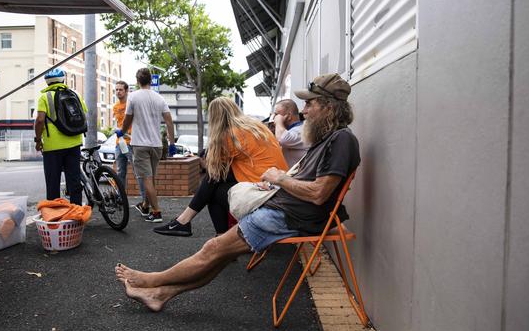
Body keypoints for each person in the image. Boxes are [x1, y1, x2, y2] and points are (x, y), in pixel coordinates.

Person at [115, 73, 359, 312]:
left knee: (213, 249)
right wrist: (276, 184)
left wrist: (280, 179)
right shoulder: (327, 139)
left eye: (310, 103)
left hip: (292, 215)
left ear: (328, 107)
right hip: (285, 207)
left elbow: (318, 193)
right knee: (218, 253)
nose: (304, 111)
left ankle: (151, 280)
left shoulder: (341, 141)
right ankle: (160, 294)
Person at [152, 97, 288, 237]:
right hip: (279, 188)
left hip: (264, 193)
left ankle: (189, 224)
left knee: (213, 185)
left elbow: (211, 167)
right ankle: (207, 232)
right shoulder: (255, 127)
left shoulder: (232, 134)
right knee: (215, 186)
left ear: (216, 117)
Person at [122, 68, 176, 223]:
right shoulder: (159, 98)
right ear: (151, 80)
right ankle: (145, 206)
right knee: (150, 178)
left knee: (146, 179)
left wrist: (122, 132)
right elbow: (169, 122)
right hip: (156, 145)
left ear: (138, 81)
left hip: (140, 144)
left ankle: (157, 212)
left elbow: (128, 119)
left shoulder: (133, 97)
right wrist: (172, 143)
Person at [34, 68, 88, 205]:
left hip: (53, 147)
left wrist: (38, 140)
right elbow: (84, 114)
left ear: (47, 83)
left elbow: (40, 120)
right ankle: (76, 214)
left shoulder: (44, 97)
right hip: (74, 143)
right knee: (74, 181)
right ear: (63, 80)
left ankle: (55, 216)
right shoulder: (75, 94)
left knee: (53, 183)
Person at [112, 80, 146, 201]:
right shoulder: (115, 107)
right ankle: (120, 199)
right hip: (119, 143)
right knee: (120, 172)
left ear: (126, 91)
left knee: (138, 174)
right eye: (116, 89)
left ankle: (144, 201)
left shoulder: (131, 104)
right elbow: (118, 123)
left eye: (120, 89)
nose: (118, 92)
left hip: (132, 143)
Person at [272, 98, 308, 167]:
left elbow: (283, 139)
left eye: (277, 115)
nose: (275, 118)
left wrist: (278, 122)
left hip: (297, 176)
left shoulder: (302, 130)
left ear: (288, 116)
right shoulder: (289, 130)